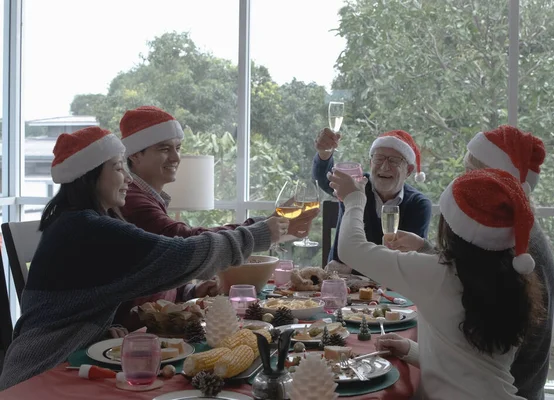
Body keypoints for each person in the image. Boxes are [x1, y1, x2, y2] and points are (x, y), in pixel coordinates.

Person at [0, 127, 287, 390]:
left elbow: (78, 303)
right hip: (41, 372)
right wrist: (258, 234)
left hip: (74, 358)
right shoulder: (89, 229)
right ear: (90, 176)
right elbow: (180, 256)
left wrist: (97, 329)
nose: (127, 177)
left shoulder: (79, 222)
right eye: (117, 168)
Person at [330, 167, 544, 400]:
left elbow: (351, 249)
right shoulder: (512, 277)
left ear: (450, 226)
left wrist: (354, 198)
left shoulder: (437, 274)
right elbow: (472, 363)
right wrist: (411, 351)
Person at [385, 125, 554, 400]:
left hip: (511, 389)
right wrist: (426, 248)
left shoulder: (519, 245)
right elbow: (470, 280)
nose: (463, 181)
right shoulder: (515, 233)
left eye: (470, 172)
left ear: (495, 181)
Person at [115, 106, 318, 329]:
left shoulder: (147, 196)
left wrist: (189, 291)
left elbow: (160, 267)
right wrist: (262, 227)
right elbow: (185, 241)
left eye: (178, 148)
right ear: (134, 154)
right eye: (164, 149)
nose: (176, 157)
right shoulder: (133, 202)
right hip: (136, 332)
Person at [313, 128, 431, 270]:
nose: (385, 166)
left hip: (387, 289)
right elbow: (323, 178)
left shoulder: (418, 205)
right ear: (370, 163)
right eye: (379, 158)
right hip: (340, 282)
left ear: (409, 171)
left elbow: (405, 265)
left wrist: (353, 270)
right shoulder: (356, 185)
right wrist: (324, 153)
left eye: (394, 161)